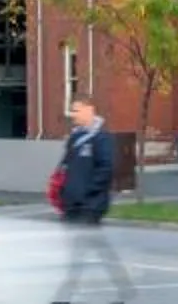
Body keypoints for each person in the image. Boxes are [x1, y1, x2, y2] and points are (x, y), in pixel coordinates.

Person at [53, 94, 132, 304]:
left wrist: (89, 193)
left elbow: (106, 168)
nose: (73, 115)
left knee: (77, 255)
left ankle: (63, 298)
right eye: (72, 110)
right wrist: (62, 192)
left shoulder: (101, 138)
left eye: (77, 110)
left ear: (90, 109)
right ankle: (125, 288)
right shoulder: (75, 138)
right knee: (100, 250)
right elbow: (66, 167)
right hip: (72, 206)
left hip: (90, 206)